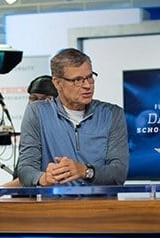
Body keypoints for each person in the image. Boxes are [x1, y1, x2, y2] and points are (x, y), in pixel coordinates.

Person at [17, 48, 129, 187]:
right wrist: (44, 178)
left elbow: (119, 173)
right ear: (57, 83)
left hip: (101, 206)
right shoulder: (37, 112)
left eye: (89, 77)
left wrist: (85, 171)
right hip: (53, 205)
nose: (88, 85)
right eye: (77, 80)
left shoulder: (112, 114)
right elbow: (25, 170)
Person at [0, 75, 59, 187]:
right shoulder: (30, 128)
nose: (38, 104)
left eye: (46, 99)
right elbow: (24, 175)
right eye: (34, 99)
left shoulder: (63, 131)